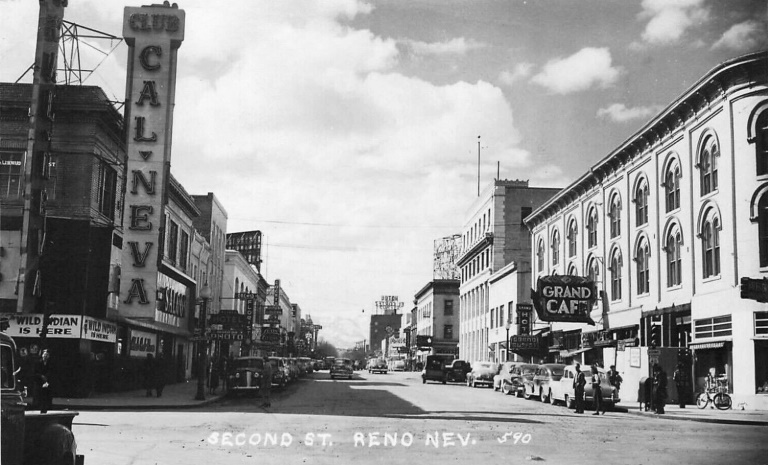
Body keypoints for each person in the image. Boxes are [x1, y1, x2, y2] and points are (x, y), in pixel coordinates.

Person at [34, 349, 53, 413]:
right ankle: (40, 408)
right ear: (42, 355)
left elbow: (52, 371)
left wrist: (47, 377)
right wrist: (41, 376)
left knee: (47, 395)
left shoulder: (50, 363)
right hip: (40, 381)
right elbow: (35, 372)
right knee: (40, 396)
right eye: (44, 354)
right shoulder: (38, 362)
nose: (45, 356)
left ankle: (46, 408)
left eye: (47, 355)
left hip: (47, 381)